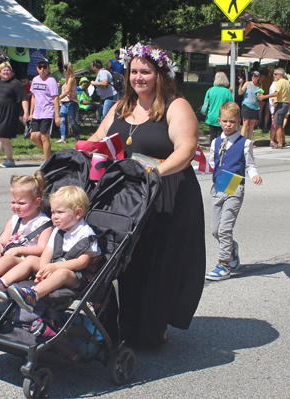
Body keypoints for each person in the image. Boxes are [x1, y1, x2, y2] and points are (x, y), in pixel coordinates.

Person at [87, 42, 205, 348]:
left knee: (159, 263)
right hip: (127, 193)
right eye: (134, 71)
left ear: (160, 74)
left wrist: (155, 172)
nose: (138, 77)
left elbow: (186, 150)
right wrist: (81, 151)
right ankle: (126, 324)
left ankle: (153, 327)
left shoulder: (175, 105)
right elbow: (98, 139)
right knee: (128, 260)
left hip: (165, 192)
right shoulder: (121, 106)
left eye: (146, 71)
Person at [0, 186, 101, 314]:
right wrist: (43, 268)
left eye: (59, 212)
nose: (54, 217)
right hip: (55, 265)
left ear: (78, 213)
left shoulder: (85, 234)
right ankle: (1, 284)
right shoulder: (58, 230)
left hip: (79, 276)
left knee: (63, 272)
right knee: (31, 259)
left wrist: (55, 267)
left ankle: (33, 295)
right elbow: (47, 251)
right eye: (53, 212)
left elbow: (81, 262)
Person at [206, 102, 263, 281]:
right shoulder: (215, 142)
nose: (228, 124)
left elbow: (250, 164)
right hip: (218, 186)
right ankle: (231, 249)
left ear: (238, 121)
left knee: (225, 229)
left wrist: (254, 175)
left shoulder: (245, 143)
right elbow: (212, 164)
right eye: (225, 121)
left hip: (234, 184)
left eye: (232, 121)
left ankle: (223, 265)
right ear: (219, 121)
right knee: (215, 230)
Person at [28, 58, 62, 162]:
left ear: (48, 68)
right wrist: (31, 113)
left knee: (44, 137)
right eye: (40, 67)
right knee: (33, 136)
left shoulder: (51, 81)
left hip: (47, 112)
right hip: (37, 113)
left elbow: (56, 98)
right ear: (37, 68)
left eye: (44, 67)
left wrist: (57, 116)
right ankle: (50, 154)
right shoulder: (35, 79)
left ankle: (46, 162)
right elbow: (33, 96)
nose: (42, 69)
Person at [258, 68, 290, 149]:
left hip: (280, 104)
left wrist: (264, 96)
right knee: (281, 125)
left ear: (280, 75)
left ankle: (279, 143)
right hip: (286, 104)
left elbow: (276, 93)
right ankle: (282, 141)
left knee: (278, 124)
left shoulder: (279, 82)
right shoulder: (287, 82)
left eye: (275, 74)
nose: (274, 75)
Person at [203, 71, 233, 143]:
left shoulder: (210, 90)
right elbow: (231, 105)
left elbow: (205, 103)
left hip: (211, 117)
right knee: (222, 135)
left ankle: (212, 150)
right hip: (223, 117)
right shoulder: (227, 91)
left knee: (213, 135)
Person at [57, 62, 79, 143]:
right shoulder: (66, 79)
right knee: (61, 119)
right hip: (64, 102)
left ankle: (77, 136)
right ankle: (63, 138)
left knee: (71, 120)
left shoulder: (71, 79)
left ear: (65, 70)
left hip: (71, 102)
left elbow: (67, 92)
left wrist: (57, 98)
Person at [90, 59, 117, 123]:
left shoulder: (103, 72)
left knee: (105, 116)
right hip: (104, 97)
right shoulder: (101, 73)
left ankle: (105, 131)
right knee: (101, 115)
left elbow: (104, 83)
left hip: (109, 96)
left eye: (92, 66)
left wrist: (94, 83)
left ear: (94, 67)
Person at [238, 71, 261, 140]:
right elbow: (240, 92)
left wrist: (259, 95)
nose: (253, 77)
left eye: (255, 76)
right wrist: (241, 84)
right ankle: (242, 140)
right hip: (246, 105)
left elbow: (260, 97)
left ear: (258, 77)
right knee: (245, 123)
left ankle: (249, 141)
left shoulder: (259, 86)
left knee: (252, 124)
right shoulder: (248, 83)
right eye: (253, 75)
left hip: (255, 106)